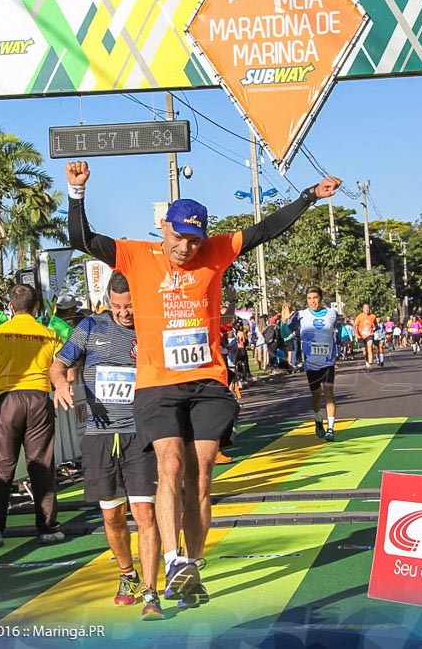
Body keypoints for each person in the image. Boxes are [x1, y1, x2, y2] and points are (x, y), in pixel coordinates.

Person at [67, 158, 340, 605]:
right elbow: (80, 238)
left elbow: (266, 229)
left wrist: (309, 196)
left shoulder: (217, 250)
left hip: (209, 382)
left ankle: (191, 566)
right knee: (170, 467)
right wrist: (77, 193)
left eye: (194, 240)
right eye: (178, 238)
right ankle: (173, 559)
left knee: (201, 478)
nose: (186, 248)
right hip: (158, 384)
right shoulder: (136, 254)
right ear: (163, 227)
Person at [50, 271, 163, 620]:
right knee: (113, 516)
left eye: (129, 306)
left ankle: (151, 590)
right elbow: (58, 364)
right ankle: (127, 575)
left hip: (138, 434)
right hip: (99, 436)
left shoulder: (150, 328)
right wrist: (59, 384)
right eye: (117, 306)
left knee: (144, 513)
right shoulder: (89, 327)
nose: (123, 313)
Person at [0, 283, 65, 548]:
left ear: (10, 307)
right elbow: (61, 370)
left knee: (0, 467)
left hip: (6, 401)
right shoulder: (49, 334)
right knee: (42, 465)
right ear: (36, 307)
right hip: (38, 398)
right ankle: (48, 527)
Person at [290, 287, 339, 441]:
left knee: (329, 393)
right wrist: (286, 321)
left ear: (321, 298)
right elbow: (287, 330)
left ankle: (331, 429)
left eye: (315, 297)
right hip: (311, 363)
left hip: (328, 361)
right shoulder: (301, 315)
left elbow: (338, 329)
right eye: (309, 298)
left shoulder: (332, 313)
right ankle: (318, 420)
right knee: (316, 396)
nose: (313, 301)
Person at [354, 303, 377, 370]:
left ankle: (370, 365)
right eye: (365, 308)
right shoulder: (359, 316)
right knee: (364, 352)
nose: (367, 310)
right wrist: (356, 333)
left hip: (369, 335)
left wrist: (374, 330)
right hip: (361, 336)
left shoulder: (373, 316)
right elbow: (354, 326)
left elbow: (376, 325)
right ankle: (366, 360)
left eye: (368, 308)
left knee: (369, 348)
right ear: (363, 309)